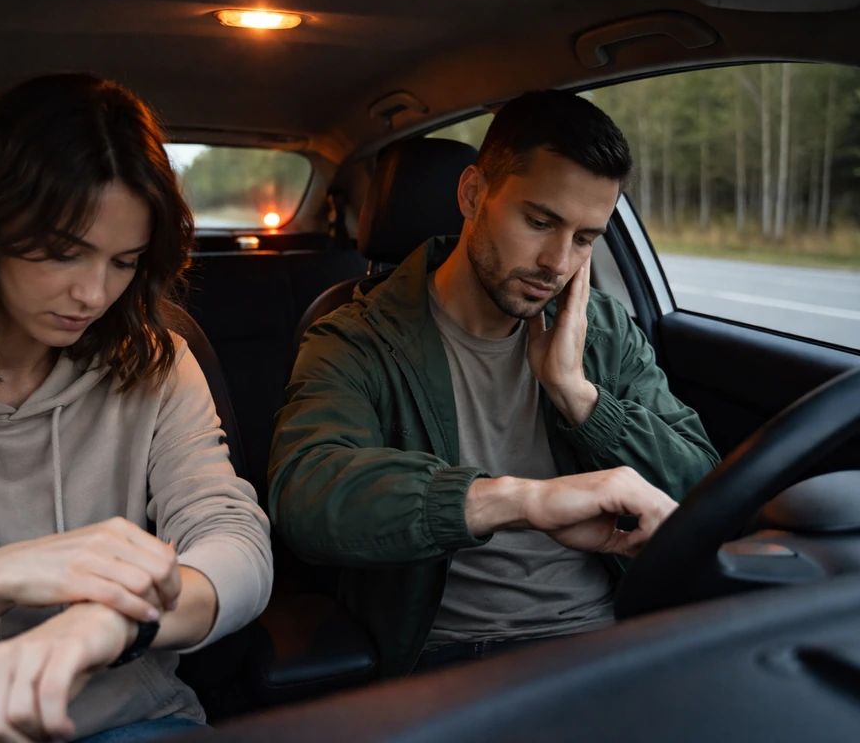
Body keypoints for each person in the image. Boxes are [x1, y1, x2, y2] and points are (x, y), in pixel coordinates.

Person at [0, 74, 273, 743]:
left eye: (124, 262)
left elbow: (236, 543)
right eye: (65, 253)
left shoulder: (155, 362)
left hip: (130, 719)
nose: (94, 293)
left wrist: (118, 621)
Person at [268, 89, 719, 678]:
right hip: (451, 656)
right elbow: (305, 494)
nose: (558, 263)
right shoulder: (360, 337)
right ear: (473, 194)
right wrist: (518, 501)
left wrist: (582, 400)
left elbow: (703, 486)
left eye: (585, 239)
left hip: (617, 635)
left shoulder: (602, 330)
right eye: (539, 222)